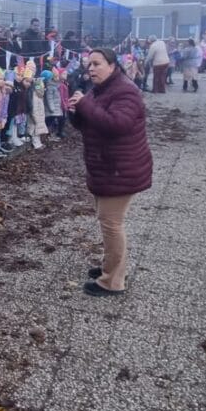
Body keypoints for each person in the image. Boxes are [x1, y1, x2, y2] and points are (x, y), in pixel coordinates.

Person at [68, 47, 153, 296]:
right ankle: (111, 267)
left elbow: (118, 125)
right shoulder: (102, 89)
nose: (91, 69)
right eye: (89, 65)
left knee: (111, 224)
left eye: (97, 64)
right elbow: (93, 124)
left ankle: (113, 281)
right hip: (106, 169)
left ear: (113, 65)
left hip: (120, 171)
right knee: (109, 222)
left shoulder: (126, 91)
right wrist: (76, 113)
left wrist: (85, 104)